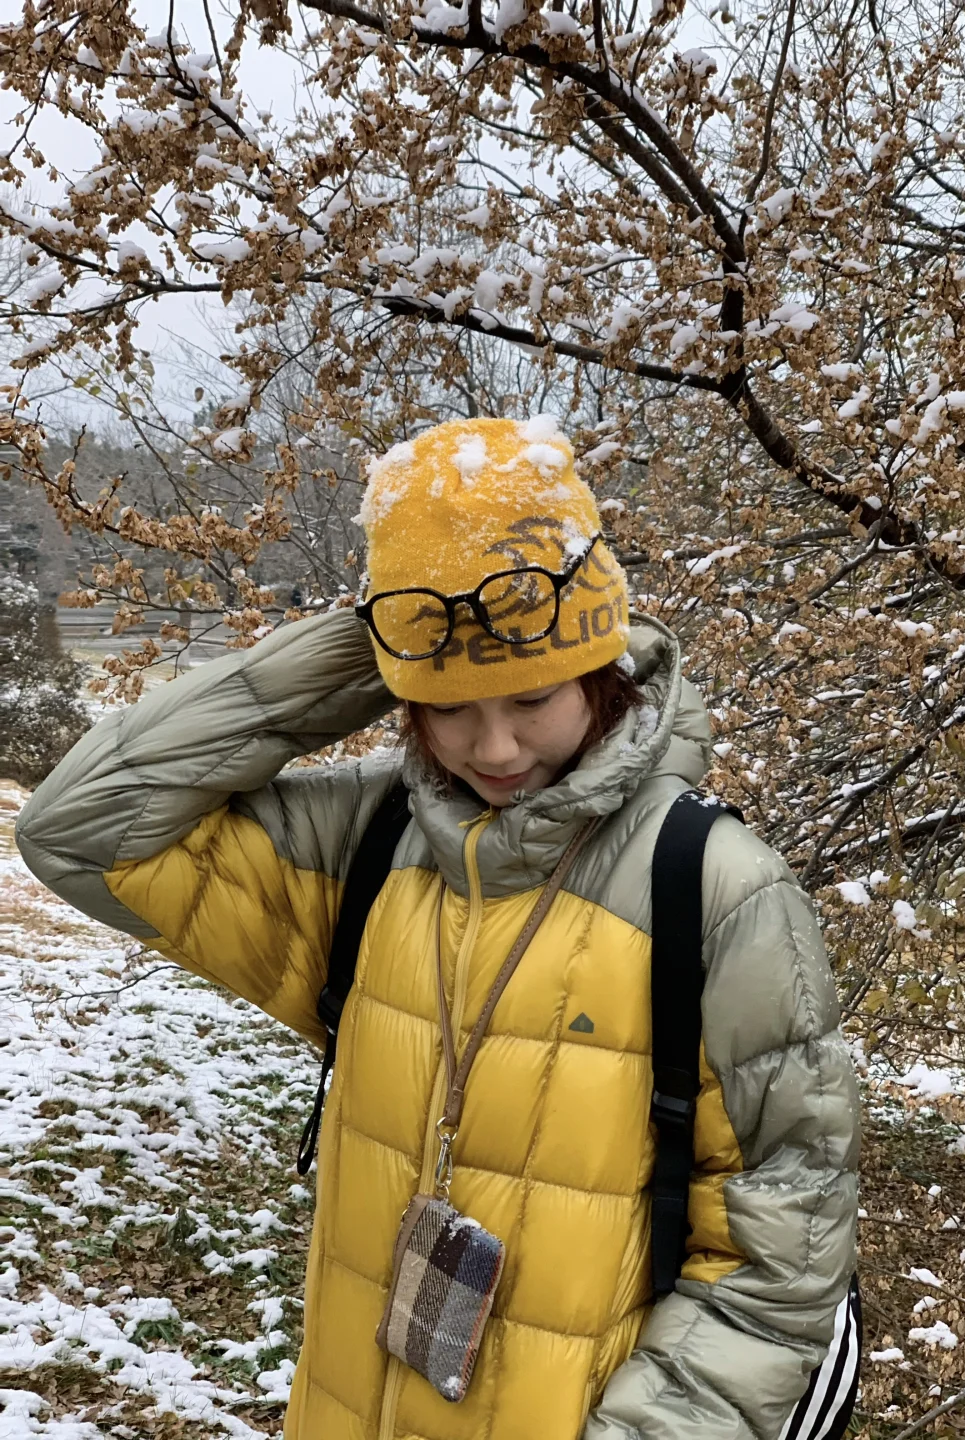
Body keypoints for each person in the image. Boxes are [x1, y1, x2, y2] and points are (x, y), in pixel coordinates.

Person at [16, 417, 860, 1440]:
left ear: (601, 670)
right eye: (448, 707)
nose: (493, 746)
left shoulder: (717, 893)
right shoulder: (367, 848)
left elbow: (779, 1264)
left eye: (535, 696)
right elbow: (82, 829)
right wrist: (375, 640)